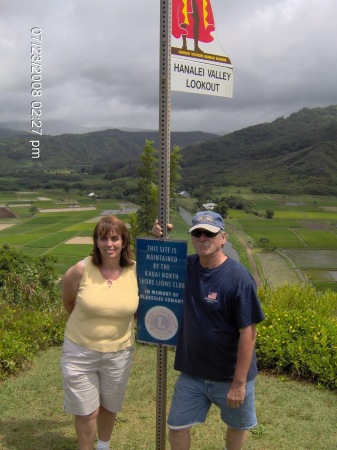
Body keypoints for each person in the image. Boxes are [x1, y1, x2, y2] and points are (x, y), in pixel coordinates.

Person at [154, 211, 265, 450]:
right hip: (192, 372)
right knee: (176, 425)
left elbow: (249, 333)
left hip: (229, 376)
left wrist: (239, 383)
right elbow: (155, 262)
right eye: (197, 233)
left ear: (223, 238)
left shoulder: (239, 279)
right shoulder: (188, 266)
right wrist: (158, 238)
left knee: (237, 426)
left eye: (210, 233)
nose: (203, 238)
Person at [61, 215, 139, 450]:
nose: (109, 244)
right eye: (103, 238)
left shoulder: (136, 272)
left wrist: (160, 235)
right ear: (96, 242)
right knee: (87, 410)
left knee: (110, 406)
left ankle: (103, 445)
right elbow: (69, 303)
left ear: (124, 241)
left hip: (119, 352)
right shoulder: (80, 270)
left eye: (115, 238)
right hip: (80, 351)